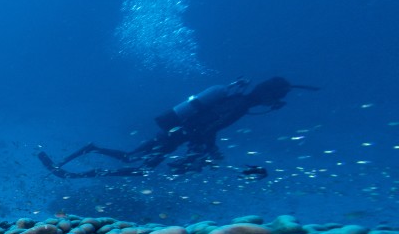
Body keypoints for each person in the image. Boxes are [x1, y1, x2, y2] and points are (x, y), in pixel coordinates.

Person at [38, 77, 317, 179]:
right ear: (269, 95)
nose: (274, 103)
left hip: (179, 135)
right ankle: (80, 172)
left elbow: (209, 127)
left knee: (133, 160)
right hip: (178, 135)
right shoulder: (238, 103)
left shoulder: (238, 100)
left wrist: (204, 149)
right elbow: (207, 126)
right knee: (137, 165)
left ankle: (90, 153)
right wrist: (205, 149)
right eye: (276, 99)